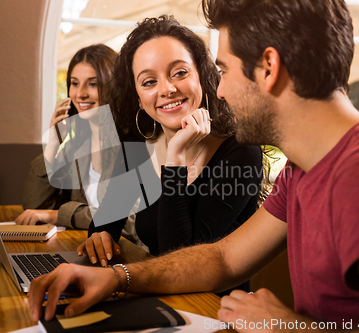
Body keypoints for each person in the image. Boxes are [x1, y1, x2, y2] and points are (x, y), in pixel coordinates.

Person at [29, 0, 359, 330]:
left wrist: (289, 328)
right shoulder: (303, 168)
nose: (221, 89)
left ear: (269, 68)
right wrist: (116, 277)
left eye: (224, 70)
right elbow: (224, 258)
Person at [77, 16, 265, 274]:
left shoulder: (239, 152)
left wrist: (175, 157)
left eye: (180, 72)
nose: (167, 89)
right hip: (153, 294)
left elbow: (180, 261)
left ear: (201, 75)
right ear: (138, 97)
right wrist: (101, 235)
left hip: (213, 307)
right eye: (149, 82)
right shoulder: (137, 143)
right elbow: (106, 221)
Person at [17, 44, 140, 246]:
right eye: (75, 83)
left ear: (115, 87)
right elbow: (35, 207)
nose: (80, 94)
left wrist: (59, 215)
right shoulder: (77, 144)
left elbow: (130, 222)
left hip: (130, 255)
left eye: (92, 84)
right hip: (88, 248)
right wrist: (52, 145)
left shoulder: (133, 143)